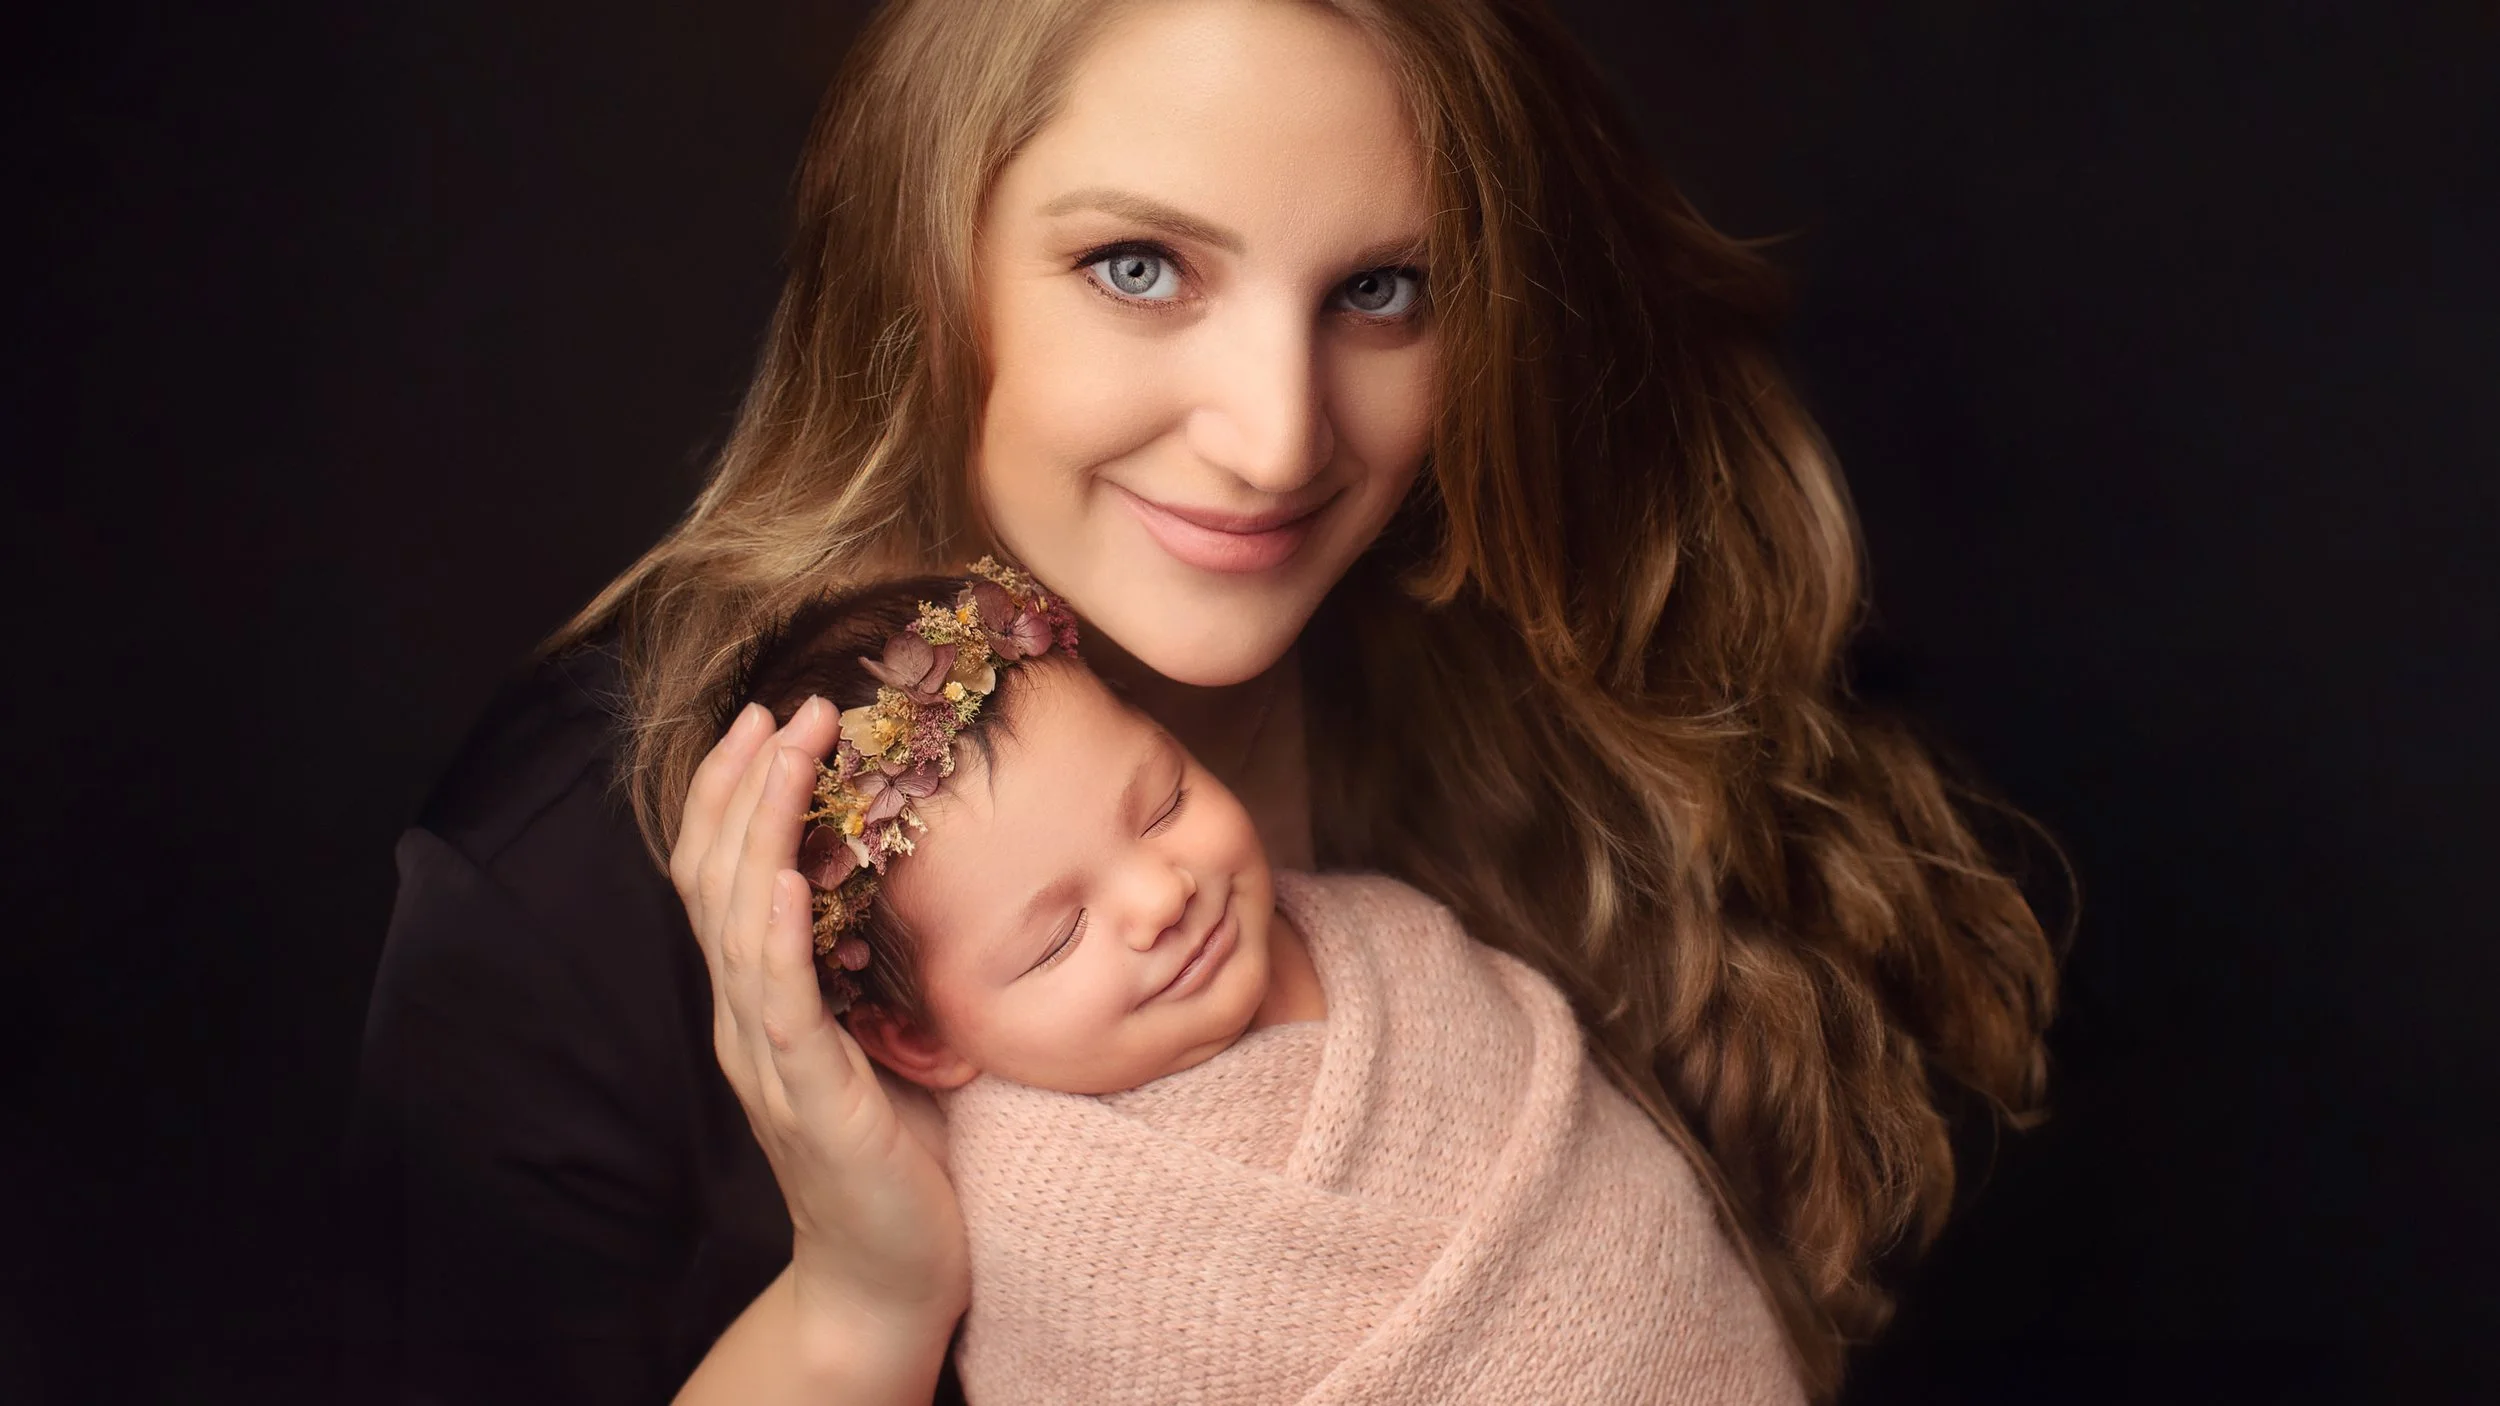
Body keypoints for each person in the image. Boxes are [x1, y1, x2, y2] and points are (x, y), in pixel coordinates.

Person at [346, 1, 2059, 1403]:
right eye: (1144, 267)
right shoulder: (567, 887)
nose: (1277, 438)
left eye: (1383, 290)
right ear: (925, 264)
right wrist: (867, 1300)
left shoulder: (1522, 655)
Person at [725, 563, 1798, 1401]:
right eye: (1056, 938)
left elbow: (1618, 1201)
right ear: (922, 1040)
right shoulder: (1050, 1226)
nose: (1160, 894)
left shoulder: (1380, 932)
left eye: (1162, 802)